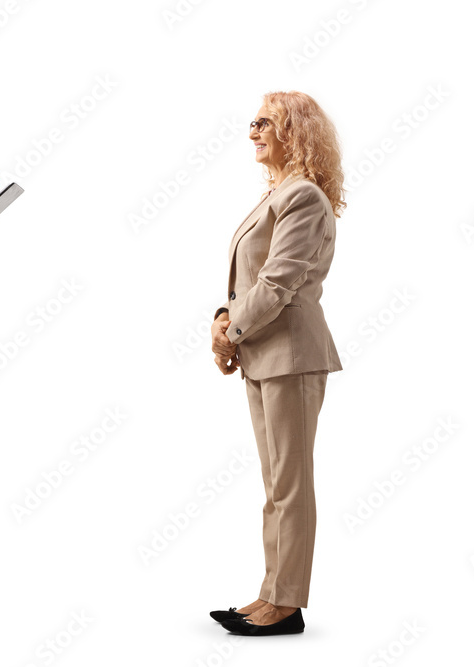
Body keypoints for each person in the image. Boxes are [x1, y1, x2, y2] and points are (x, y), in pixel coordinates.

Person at [208, 91, 345, 636]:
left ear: (297, 131)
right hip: (265, 354)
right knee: (275, 484)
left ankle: (286, 604)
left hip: (291, 354)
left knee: (290, 484)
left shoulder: (304, 197)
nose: (253, 131)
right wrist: (224, 319)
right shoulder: (278, 192)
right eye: (252, 121)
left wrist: (230, 334)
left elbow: (279, 283)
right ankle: (271, 593)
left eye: (266, 122)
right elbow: (248, 278)